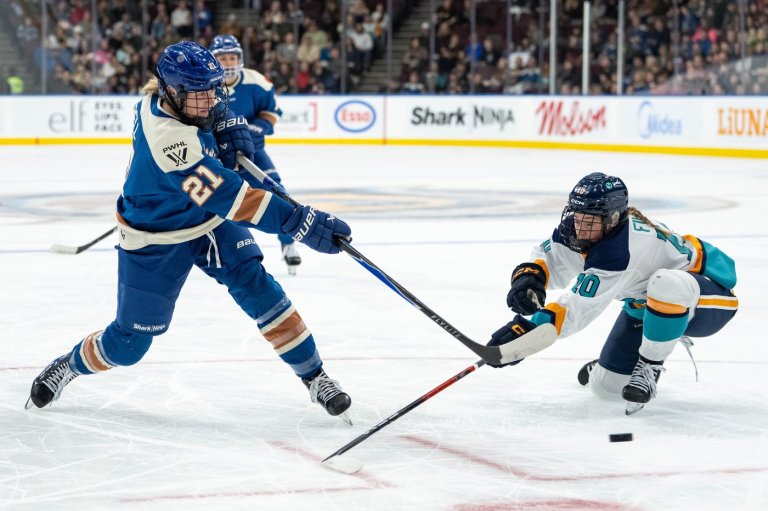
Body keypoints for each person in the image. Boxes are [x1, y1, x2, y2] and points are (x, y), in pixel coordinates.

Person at [25, 41, 354, 424]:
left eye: (214, 90)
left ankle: (315, 377)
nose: (211, 99)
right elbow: (235, 200)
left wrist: (225, 119)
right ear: (173, 93)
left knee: (260, 289)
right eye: (200, 95)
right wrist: (299, 221)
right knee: (129, 344)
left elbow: (212, 112)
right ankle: (69, 365)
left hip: (207, 222)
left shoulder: (178, 100)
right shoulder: (169, 140)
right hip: (156, 237)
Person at [488, 173, 738, 415]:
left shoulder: (622, 250)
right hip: (645, 305)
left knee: (665, 284)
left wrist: (528, 331)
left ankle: (651, 364)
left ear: (613, 218)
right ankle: (643, 343)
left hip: (708, 295)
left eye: (589, 220)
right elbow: (549, 258)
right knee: (606, 389)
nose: (579, 227)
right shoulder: (582, 231)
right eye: (577, 215)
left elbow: (577, 310)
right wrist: (530, 281)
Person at [208, 34, 303, 275]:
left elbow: (271, 111)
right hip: (216, 155)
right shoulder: (204, 85)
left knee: (279, 193)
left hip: (251, 153)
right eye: (223, 58)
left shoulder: (257, 82)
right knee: (216, 199)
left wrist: (260, 127)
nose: (228, 63)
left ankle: (288, 243)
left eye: (232, 57)